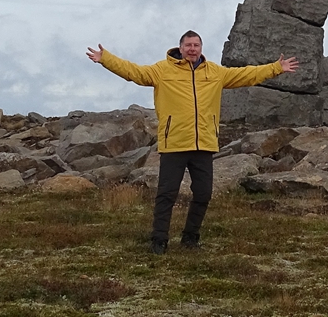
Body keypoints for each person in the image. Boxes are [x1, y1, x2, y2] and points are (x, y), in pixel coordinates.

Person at [87, 31, 298, 253]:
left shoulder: (215, 72)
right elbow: (134, 72)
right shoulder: (162, 70)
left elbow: (246, 75)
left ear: (201, 47)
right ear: (180, 47)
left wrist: (276, 68)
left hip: (204, 144)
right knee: (167, 194)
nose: (192, 49)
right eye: (188, 45)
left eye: (196, 45)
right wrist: (106, 59)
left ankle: (190, 237)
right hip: (174, 143)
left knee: (204, 193)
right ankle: (159, 240)